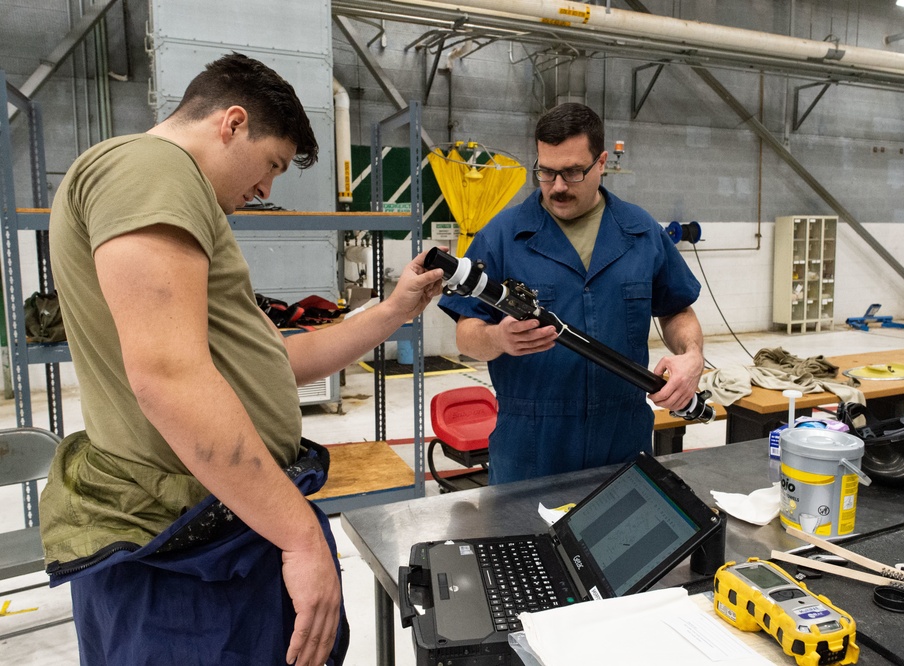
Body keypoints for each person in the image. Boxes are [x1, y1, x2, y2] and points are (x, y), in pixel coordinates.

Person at [39, 52, 443, 666]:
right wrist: (301, 537)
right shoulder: (150, 167)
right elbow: (169, 378)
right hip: (185, 547)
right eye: (271, 164)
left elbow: (274, 360)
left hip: (229, 520)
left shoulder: (175, 196)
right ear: (231, 123)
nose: (265, 190)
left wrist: (392, 312)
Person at [438, 102, 705, 484]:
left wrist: (691, 356)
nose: (558, 187)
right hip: (531, 445)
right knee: (525, 543)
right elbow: (467, 336)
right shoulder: (502, 235)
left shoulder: (641, 231)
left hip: (623, 438)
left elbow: (677, 309)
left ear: (601, 163)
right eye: (546, 172)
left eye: (572, 172)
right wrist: (498, 338)